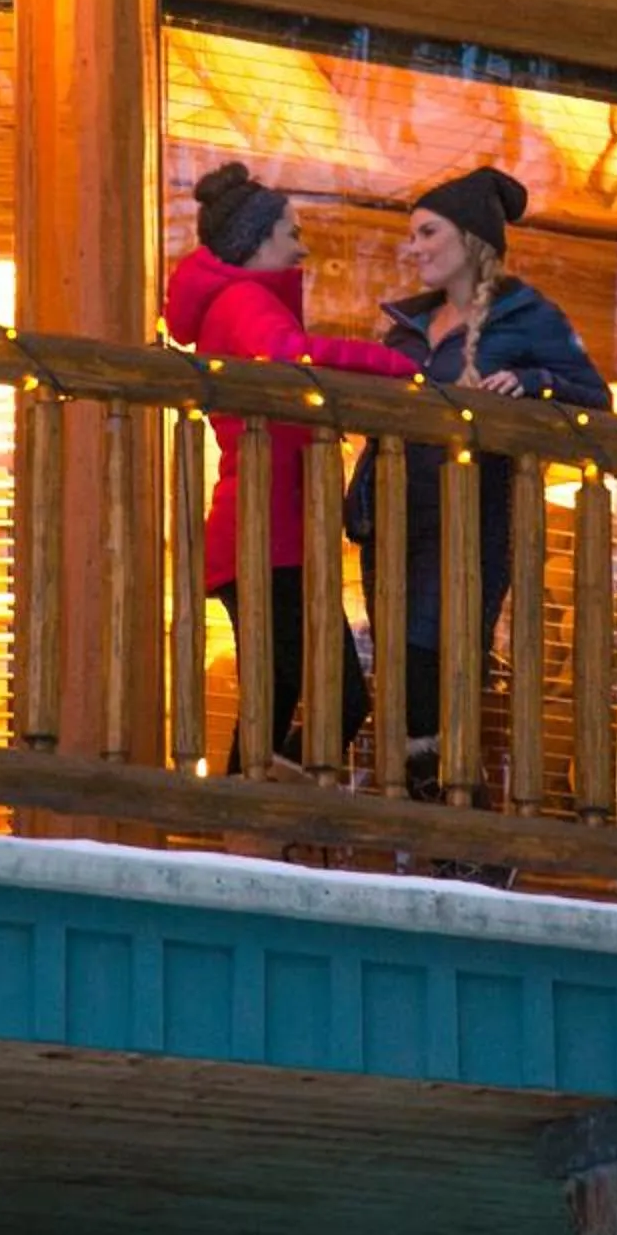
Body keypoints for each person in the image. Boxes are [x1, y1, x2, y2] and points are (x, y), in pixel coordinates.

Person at [354, 166, 611, 800]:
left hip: (468, 519)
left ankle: (448, 798)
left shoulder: (527, 316)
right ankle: (427, 802)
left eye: (426, 233)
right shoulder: (405, 326)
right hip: (391, 516)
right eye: (410, 235)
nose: (412, 248)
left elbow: (595, 396)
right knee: (397, 658)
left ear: (472, 240)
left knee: (435, 652)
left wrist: (532, 383)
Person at [163, 163, 412, 777]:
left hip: (277, 536)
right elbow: (289, 354)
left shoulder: (237, 301)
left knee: (323, 697)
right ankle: (250, 817)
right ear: (257, 241)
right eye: (290, 232)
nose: (301, 246)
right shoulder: (243, 299)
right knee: (291, 697)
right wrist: (391, 363)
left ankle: (269, 803)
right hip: (261, 536)